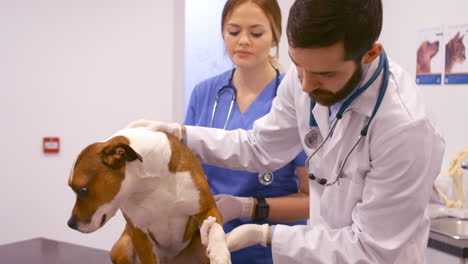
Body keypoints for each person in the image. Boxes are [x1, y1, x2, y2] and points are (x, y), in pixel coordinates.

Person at [128, 0, 445, 263]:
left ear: (370, 54)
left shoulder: (406, 129)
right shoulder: (301, 79)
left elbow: (372, 250)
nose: (306, 85)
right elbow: (259, 147)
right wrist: (181, 133)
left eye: (325, 74)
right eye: (298, 65)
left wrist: (265, 233)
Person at [184, 0, 309, 263]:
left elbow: (311, 201)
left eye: (256, 33)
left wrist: (250, 208)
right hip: (210, 245)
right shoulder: (205, 94)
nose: (243, 41)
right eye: (233, 31)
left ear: (276, 36)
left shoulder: (298, 96)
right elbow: (188, 177)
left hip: (271, 248)